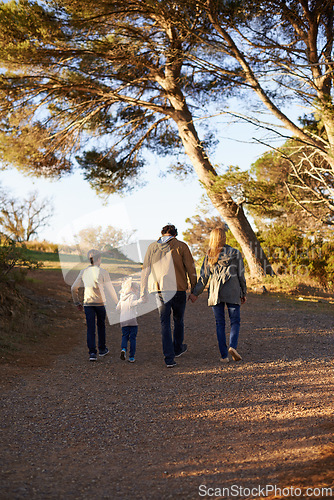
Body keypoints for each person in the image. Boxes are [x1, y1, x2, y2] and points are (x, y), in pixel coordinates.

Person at [141, 223, 197, 368]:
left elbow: (145, 271)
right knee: (178, 320)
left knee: (164, 323)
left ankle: (169, 358)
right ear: (175, 234)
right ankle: (177, 348)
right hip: (178, 289)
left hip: (159, 290)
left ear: (162, 233)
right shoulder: (181, 246)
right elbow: (191, 268)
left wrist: (143, 291)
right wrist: (194, 290)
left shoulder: (152, 247)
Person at [188, 227, 247, 363]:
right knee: (235, 322)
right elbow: (241, 275)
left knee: (220, 323)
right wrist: (243, 292)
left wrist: (195, 293)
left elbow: (204, 277)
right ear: (224, 238)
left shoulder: (210, 255)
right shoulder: (235, 253)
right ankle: (232, 347)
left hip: (216, 292)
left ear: (212, 239)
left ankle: (224, 356)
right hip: (233, 290)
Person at [71, 249, 118, 361]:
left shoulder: (83, 271)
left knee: (90, 328)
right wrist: (117, 303)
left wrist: (77, 302)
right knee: (101, 325)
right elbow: (110, 289)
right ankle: (102, 349)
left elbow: (73, 288)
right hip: (101, 303)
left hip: (88, 304)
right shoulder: (103, 272)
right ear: (99, 259)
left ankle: (92, 353)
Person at [116, 277, 143, 363]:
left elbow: (117, 308)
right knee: (133, 338)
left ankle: (123, 349)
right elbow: (132, 304)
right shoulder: (133, 296)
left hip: (123, 320)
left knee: (124, 336)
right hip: (132, 320)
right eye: (136, 289)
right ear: (132, 288)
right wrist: (140, 301)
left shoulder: (122, 297)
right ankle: (131, 356)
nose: (137, 291)